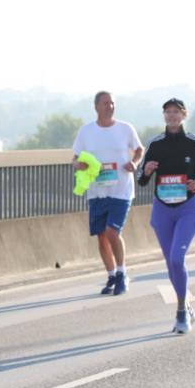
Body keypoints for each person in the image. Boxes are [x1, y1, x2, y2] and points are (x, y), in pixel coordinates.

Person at [138, 98, 195, 334]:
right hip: (162, 209)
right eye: (167, 112)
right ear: (164, 115)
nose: (171, 116)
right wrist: (148, 170)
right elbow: (142, 179)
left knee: (176, 259)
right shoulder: (156, 144)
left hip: (188, 208)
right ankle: (188, 306)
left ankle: (181, 312)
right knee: (171, 264)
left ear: (184, 115)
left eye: (176, 112)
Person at [72, 91, 144, 295]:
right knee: (102, 237)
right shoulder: (86, 131)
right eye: (105, 103)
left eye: (112, 103)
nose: (109, 106)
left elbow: (139, 149)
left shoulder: (125, 128)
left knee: (113, 232)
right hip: (97, 191)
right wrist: (80, 165)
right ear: (96, 107)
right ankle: (111, 275)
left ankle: (122, 273)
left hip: (121, 190)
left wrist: (135, 162)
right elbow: (75, 159)